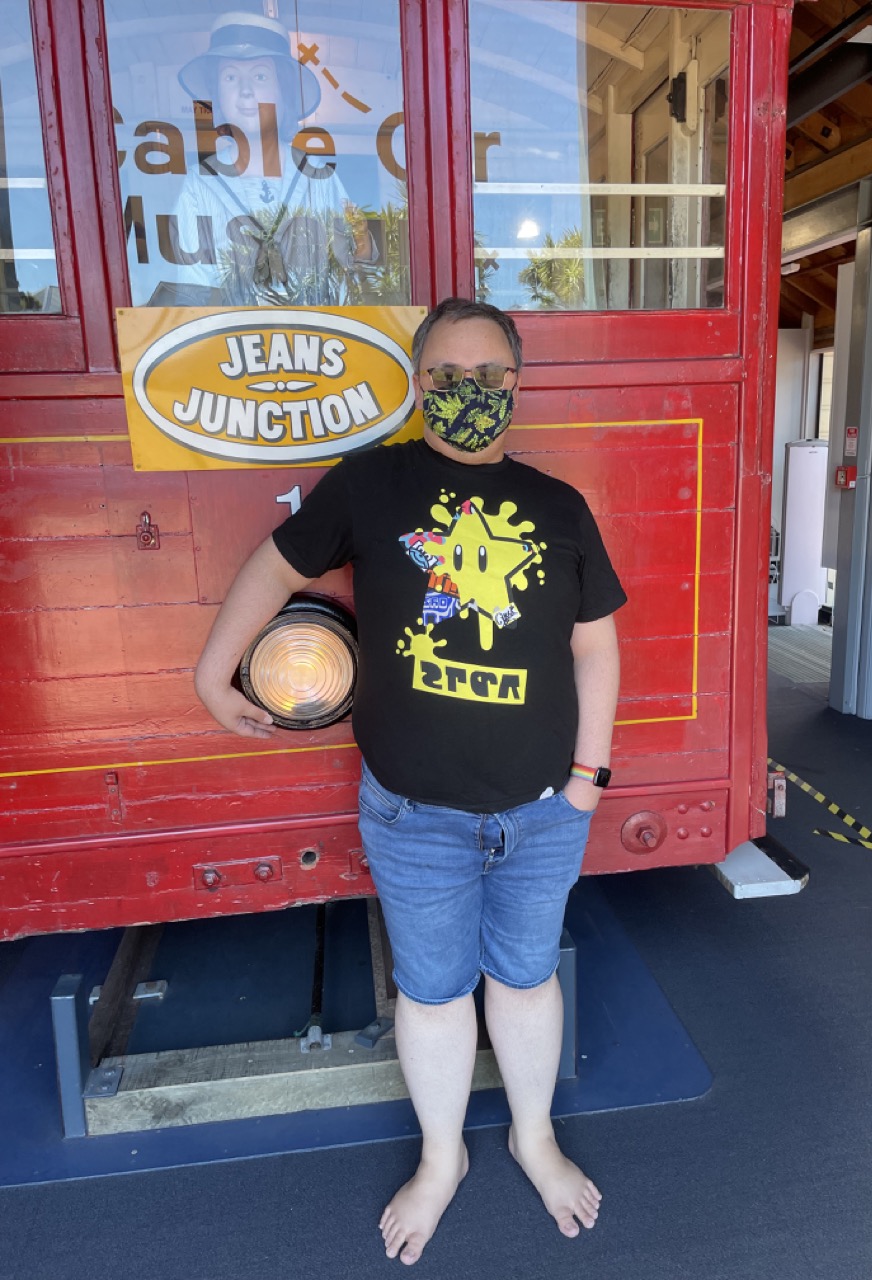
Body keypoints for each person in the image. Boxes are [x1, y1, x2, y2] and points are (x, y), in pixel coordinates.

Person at [194, 297, 626, 1265]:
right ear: (419, 383)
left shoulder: (558, 507)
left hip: (542, 813)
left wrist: (589, 779)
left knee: (526, 982)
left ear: (515, 383)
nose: (470, 390)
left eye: (489, 375)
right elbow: (273, 566)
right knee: (431, 995)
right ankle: (442, 1157)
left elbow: (595, 645)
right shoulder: (371, 483)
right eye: (448, 374)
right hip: (413, 816)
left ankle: (534, 1137)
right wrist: (211, 674)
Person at [172, 12, 376, 305]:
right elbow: (193, 294)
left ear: (284, 90)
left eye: (260, 76)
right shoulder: (200, 185)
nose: (245, 91)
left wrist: (361, 254)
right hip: (229, 335)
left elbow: (350, 280)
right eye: (230, 77)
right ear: (217, 93)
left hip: (316, 333)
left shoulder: (318, 178)